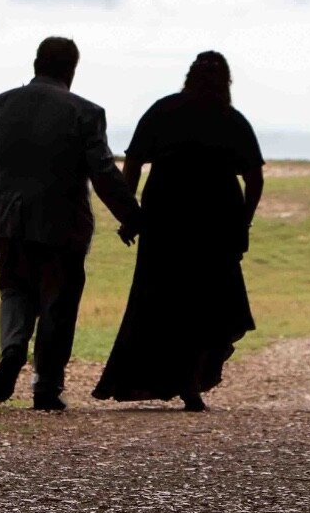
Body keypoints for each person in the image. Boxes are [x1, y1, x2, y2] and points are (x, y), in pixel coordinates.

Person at [0, 36, 141, 412]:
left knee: (13, 287)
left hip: (4, 219)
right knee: (57, 301)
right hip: (62, 223)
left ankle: (12, 346)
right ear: (71, 70)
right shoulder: (86, 112)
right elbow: (104, 173)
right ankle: (46, 384)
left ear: (35, 63)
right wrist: (132, 216)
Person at [93, 51, 264, 411]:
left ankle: (170, 378)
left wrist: (131, 215)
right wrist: (242, 222)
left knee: (162, 299)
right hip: (216, 221)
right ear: (226, 82)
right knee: (208, 302)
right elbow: (254, 178)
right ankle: (190, 380)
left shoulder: (163, 110)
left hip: (166, 217)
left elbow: (134, 163)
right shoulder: (231, 120)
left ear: (189, 76)